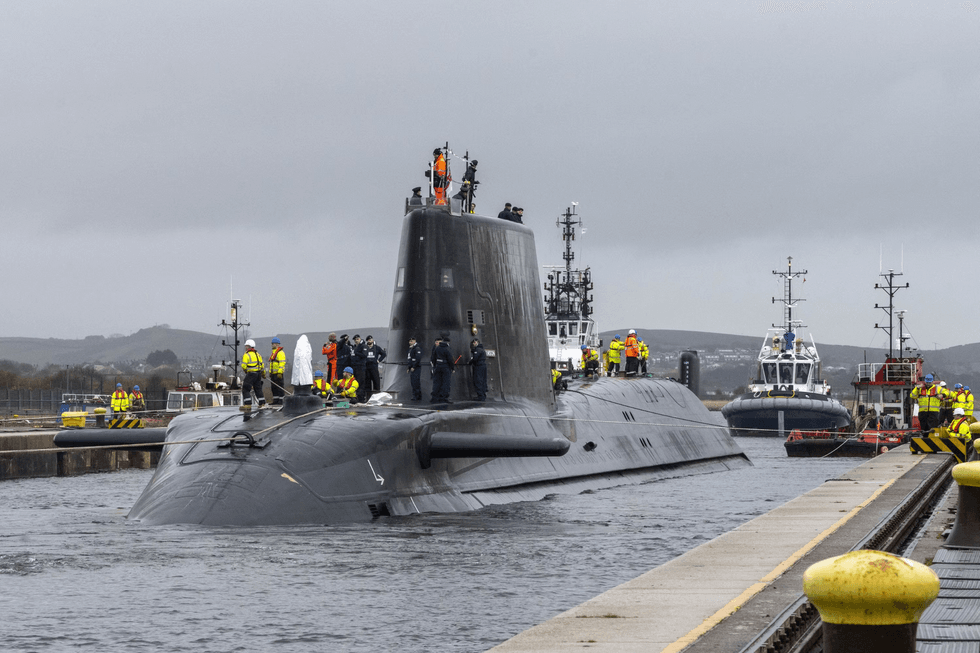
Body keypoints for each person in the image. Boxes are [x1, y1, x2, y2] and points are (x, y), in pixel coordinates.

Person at [241, 339, 266, 414]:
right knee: (258, 388)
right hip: (258, 374)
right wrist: (263, 374)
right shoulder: (258, 355)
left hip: (251, 374)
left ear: (249, 346)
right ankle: (262, 403)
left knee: (246, 388)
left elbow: (243, 366)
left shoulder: (246, 355)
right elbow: (262, 366)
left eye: (246, 346)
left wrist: (246, 371)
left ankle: (248, 405)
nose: (245, 347)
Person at [430, 333, 455, 403]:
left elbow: (433, 358)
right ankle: (443, 398)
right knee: (446, 383)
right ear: (448, 342)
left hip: (438, 366)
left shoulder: (437, 348)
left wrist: (435, 366)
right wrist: (452, 368)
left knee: (436, 382)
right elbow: (450, 360)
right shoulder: (447, 349)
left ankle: (434, 398)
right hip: (445, 367)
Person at [361, 335, 387, 402]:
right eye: (368, 340)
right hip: (366, 367)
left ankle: (377, 398)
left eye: (371, 340)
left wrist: (379, 360)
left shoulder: (376, 348)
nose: (370, 341)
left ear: (372, 340)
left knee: (376, 382)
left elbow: (384, 354)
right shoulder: (364, 347)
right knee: (367, 383)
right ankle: (368, 398)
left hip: (374, 366)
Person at [268, 337, 286, 405]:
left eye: (273, 344)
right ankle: (275, 400)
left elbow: (282, 363)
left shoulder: (280, 353)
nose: (272, 345)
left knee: (280, 387)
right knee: (274, 388)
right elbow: (272, 364)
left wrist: (280, 372)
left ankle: (281, 401)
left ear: (277, 344)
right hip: (273, 374)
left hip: (278, 373)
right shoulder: (273, 353)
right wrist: (270, 372)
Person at [407, 336, 423, 401]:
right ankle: (415, 395)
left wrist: (414, 367)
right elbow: (410, 359)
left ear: (415, 341)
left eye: (412, 341)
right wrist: (409, 367)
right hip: (412, 367)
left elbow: (418, 358)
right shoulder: (411, 349)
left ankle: (417, 396)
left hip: (416, 368)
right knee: (413, 382)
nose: (411, 342)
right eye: (410, 341)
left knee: (416, 382)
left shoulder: (417, 348)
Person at [351, 334, 367, 400]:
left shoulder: (363, 346)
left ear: (360, 339)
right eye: (355, 340)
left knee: (360, 382)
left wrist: (356, 352)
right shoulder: (354, 347)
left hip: (361, 367)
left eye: (357, 339)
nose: (356, 341)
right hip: (354, 366)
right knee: (355, 382)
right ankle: (356, 396)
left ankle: (361, 397)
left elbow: (364, 355)